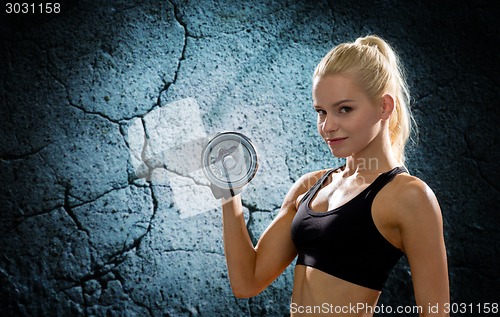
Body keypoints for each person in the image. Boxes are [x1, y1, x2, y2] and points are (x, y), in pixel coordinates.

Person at [213, 35, 449, 316]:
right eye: (321, 111)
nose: (327, 126)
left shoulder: (409, 196)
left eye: (344, 109)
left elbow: (435, 312)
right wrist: (228, 190)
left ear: (385, 106)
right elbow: (247, 282)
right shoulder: (310, 186)